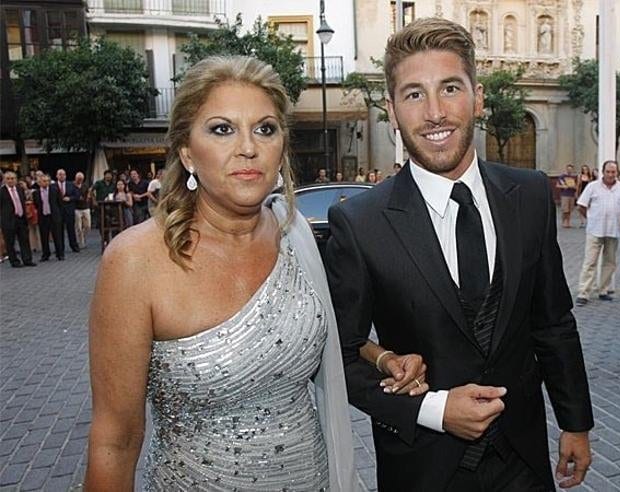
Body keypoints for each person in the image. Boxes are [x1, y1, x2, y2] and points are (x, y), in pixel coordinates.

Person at [84, 55, 425, 490]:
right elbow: (115, 442)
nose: (248, 147)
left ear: (282, 146)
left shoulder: (294, 234)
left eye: (265, 129)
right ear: (187, 153)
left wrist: (383, 358)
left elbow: (326, 332)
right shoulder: (134, 262)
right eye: (222, 129)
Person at [325, 17, 593, 491]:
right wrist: (433, 408)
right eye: (414, 94)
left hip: (523, 460)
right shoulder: (360, 222)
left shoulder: (529, 195)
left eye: (450, 88)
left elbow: (552, 322)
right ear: (391, 110)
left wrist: (575, 423)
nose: (435, 113)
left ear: (478, 97)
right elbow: (338, 356)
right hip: (424, 469)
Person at [576, 161, 620, 305]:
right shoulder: (593, 186)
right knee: (590, 262)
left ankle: (603, 290)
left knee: (609, 262)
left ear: (617, 172)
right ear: (603, 172)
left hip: (613, 230)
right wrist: (590, 218)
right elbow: (581, 206)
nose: (611, 175)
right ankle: (583, 292)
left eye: (613, 172)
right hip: (594, 230)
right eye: (608, 172)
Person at [0, 171, 36, 267]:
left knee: (24, 240)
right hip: (8, 220)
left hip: (21, 218)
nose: (10, 180)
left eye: (12, 178)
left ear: (16, 179)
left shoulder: (20, 189)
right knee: (10, 242)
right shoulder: (1, 191)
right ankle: (14, 261)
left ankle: (27, 259)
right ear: (4, 180)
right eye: (8, 179)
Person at [33, 174, 65, 261]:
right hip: (43, 216)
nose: (46, 183)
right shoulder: (36, 193)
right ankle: (46, 254)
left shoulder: (54, 190)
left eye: (47, 181)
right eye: (44, 181)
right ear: (39, 182)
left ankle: (60, 254)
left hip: (54, 216)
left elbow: (60, 203)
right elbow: (36, 205)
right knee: (44, 236)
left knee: (57, 235)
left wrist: (59, 215)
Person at [55, 168, 80, 252]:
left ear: (65, 176)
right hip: (58, 210)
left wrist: (70, 198)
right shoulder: (53, 186)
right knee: (59, 230)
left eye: (63, 174)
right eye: (60, 174)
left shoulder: (71, 184)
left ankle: (74, 246)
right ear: (57, 176)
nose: (62, 176)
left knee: (71, 229)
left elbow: (77, 195)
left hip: (69, 209)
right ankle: (60, 248)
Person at [73, 172, 91, 249]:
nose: (80, 180)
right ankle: (81, 242)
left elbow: (88, 193)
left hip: (85, 207)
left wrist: (88, 196)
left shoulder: (85, 186)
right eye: (78, 179)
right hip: (77, 208)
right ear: (76, 178)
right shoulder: (72, 186)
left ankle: (83, 236)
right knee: (78, 227)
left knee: (88, 226)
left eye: (81, 179)